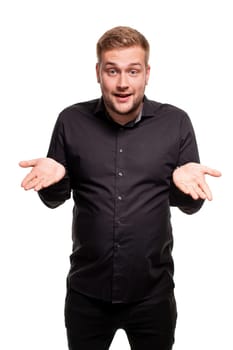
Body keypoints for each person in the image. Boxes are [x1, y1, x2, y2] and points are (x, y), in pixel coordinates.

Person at [19, 26, 221, 350]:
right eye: (112, 71)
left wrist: (184, 189)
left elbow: (190, 204)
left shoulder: (176, 123)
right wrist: (54, 182)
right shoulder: (70, 121)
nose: (123, 83)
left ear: (147, 74)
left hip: (153, 296)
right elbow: (55, 200)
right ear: (98, 72)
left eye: (133, 71)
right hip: (87, 295)